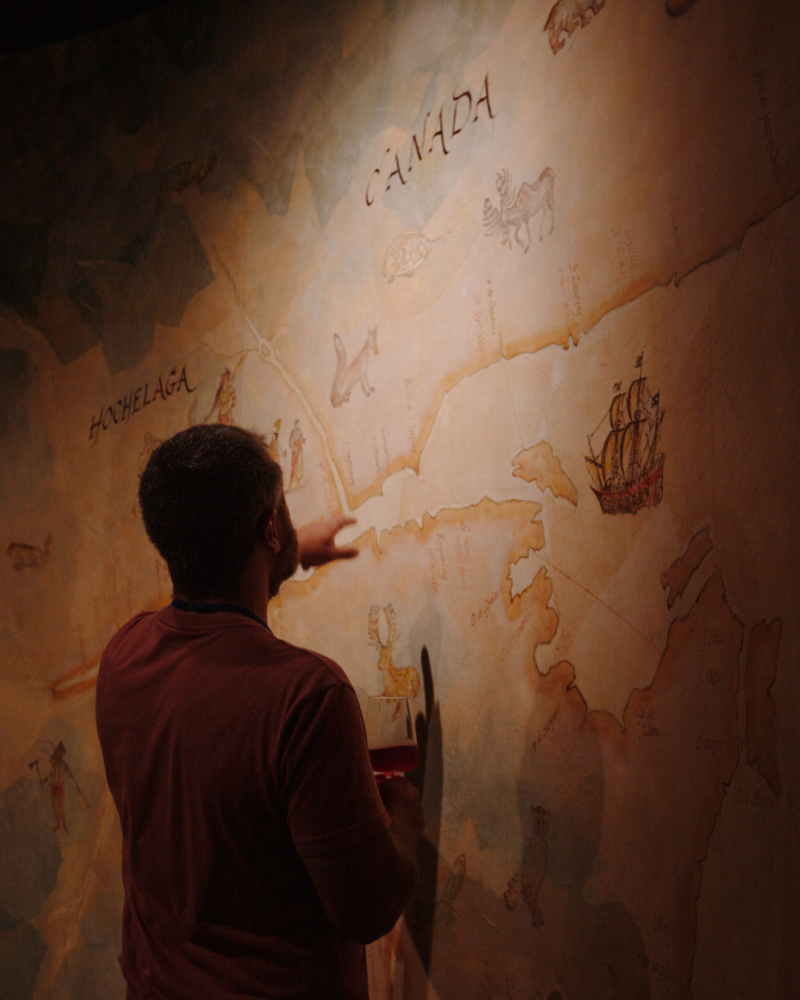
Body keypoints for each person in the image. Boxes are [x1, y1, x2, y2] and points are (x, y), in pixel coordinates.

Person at [95, 424, 424, 1000]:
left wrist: (289, 556)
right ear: (270, 528)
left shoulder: (124, 657)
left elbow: (211, 625)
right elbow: (367, 910)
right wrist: (403, 816)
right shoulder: (307, 697)